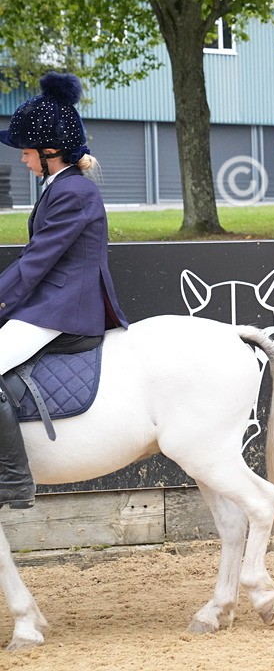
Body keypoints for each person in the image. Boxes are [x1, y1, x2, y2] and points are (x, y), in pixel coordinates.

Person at [0, 72, 129, 508]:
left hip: (65, 310)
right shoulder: (59, 187)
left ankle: (13, 480)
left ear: (49, 152)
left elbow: (36, 262)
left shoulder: (73, 192)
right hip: (50, 304)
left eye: (26, 151)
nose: (22, 159)